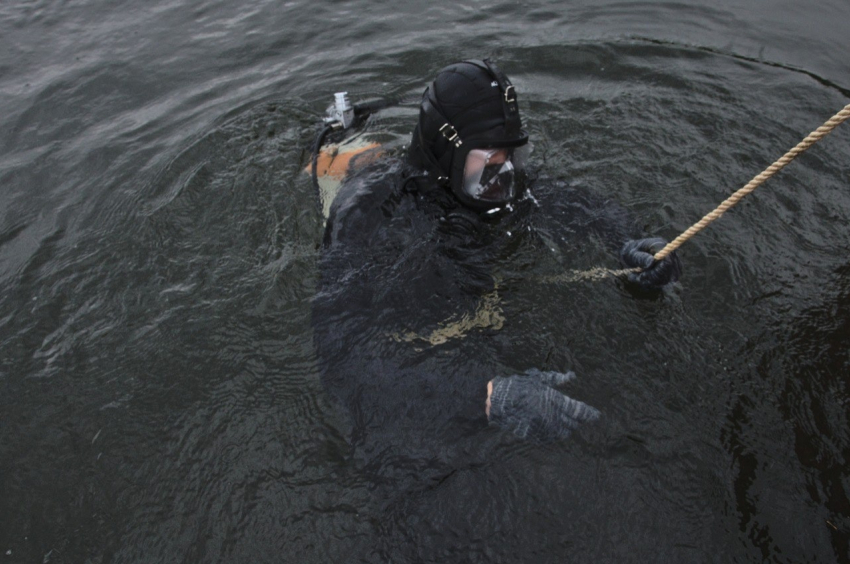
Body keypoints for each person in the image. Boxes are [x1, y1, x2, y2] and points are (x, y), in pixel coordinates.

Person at [312, 59, 681, 451]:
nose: (505, 178)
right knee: (338, 160)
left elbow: (580, 207)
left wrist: (632, 244)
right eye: (490, 162)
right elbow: (342, 352)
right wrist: (481, 397)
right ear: (449, 156)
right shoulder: (369, 218)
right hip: (361, 187)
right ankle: (339, 132)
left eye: (512, 158)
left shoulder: (494, 183)